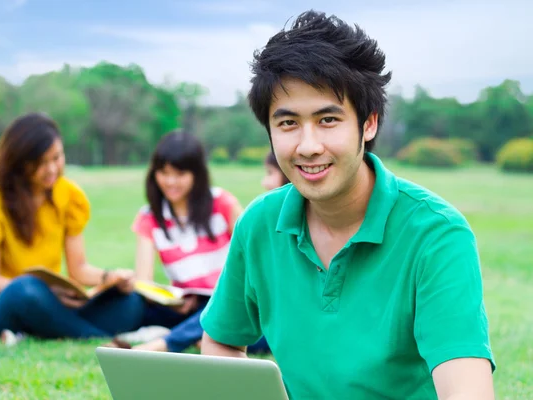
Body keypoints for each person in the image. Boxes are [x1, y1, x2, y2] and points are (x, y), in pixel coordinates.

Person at [200, 10, 495, 399]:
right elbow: (220, 342)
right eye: (288, 123)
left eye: (328, 120)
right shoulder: (259, 223)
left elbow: (467, 390)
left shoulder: (436, 234)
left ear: (368, 123)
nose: (307, 146)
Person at [0, 113, 141, 344]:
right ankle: (94, 337)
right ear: (18, 163)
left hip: (51, 304)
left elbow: (78, 269)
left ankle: (50, 329)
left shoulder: (68, 196)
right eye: (39, 163)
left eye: (56, 158)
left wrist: (110, 277)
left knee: (130, 302)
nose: (51, 169)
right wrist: (43, 291)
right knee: (24, 290)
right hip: (2, 308)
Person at [105, 131, 269, 354]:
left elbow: (254, 258)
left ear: (196, 174)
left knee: (223, 313)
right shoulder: (150, 218)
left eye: (180, 174)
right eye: (164, 173)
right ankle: (196, 335)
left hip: (228, 301)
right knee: (133, 304)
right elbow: (145, 282)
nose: (170, 182)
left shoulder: (222, 203)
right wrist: (172, 300)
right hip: (183, 307)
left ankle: (163, 343)